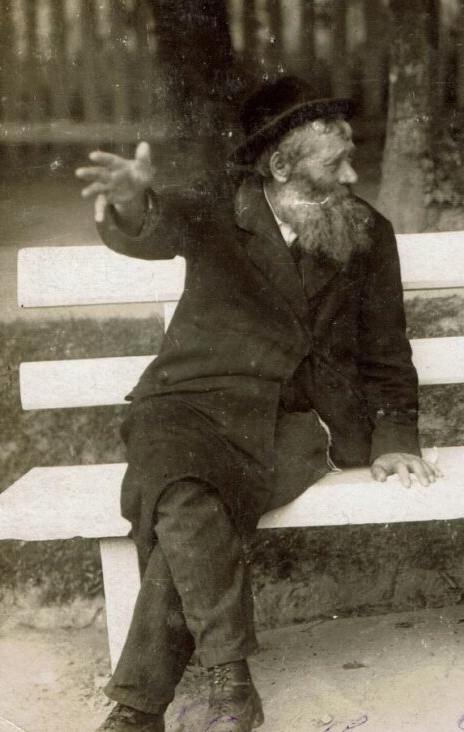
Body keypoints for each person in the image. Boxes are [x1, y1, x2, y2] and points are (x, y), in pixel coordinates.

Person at [75, 76, 441, 732]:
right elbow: (154, 227)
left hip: (296, 421)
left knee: (188, 502)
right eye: (336, 163)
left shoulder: (365, 231)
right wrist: (133, 202)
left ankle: (143, 706)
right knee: (184, 478)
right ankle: (227, 680)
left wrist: (395, 438)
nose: (354, 174)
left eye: (351, 157)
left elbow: (387, 347)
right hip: (187, 402)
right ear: (278, 166)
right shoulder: (218, 207)